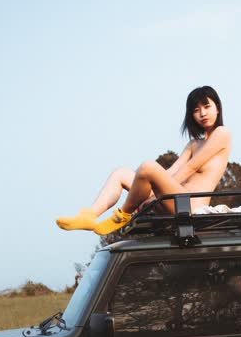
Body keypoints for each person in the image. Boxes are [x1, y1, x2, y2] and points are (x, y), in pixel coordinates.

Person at [56, 85, 232, 235]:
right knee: (121, 173)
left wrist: (154, 196)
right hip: (173, 199)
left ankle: (122, 216)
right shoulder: (194, 144)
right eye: (196, 110)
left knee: (148, 166)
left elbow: (190, 168)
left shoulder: (222, 133)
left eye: (206, 106)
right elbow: (172, 172)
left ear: (217, 107)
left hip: (191, 207)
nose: (202, 113)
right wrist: (153, 190)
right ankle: (89, 216)